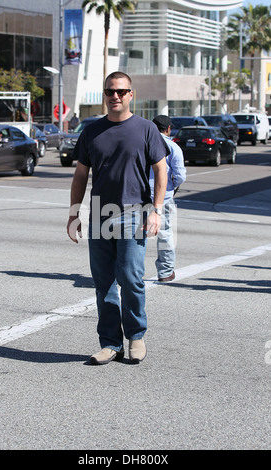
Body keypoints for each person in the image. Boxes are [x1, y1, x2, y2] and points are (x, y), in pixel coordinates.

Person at [67, 71, 168, 365]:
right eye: (110, 91)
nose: (116, 96)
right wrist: (74, 214)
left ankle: (136, 336)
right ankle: (111, 343)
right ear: (105, 94)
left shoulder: (146, 129)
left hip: (134, 213)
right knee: (104, 283)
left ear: (131, 95)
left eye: (121, 91)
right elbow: (80, 175)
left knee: (131, 277)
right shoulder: (91, 131)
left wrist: (157, 210)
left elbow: (161, 171)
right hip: (99, 213)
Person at [149, 115, 186, 282]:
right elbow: (180, 176)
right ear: (168, 129)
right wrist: (170, 186)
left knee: (133, 234)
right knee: (164, 234)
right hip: (163, 196)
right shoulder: (173, 147)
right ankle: (165, 272)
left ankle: (129, 272)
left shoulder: (142, 145)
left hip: (139, 195)